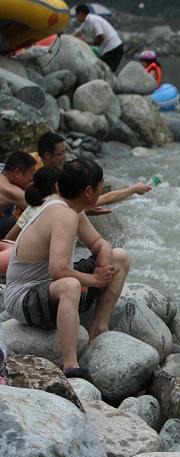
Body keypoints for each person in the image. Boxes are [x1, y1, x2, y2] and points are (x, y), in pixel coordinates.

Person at [3, 158, 130, 379]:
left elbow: (99, 243)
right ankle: (70, 364)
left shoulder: (72, 208)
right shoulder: (63, 214)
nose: (103, 189)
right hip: (24, 297)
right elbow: (58, 271)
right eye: (102, 185)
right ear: (89, 191)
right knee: (70, 284)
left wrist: (104, 259)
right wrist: (95, 280)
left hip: (50, 289)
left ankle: (99, 328)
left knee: (120, 257)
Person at [73, 4, 124, 73]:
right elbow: (77, 32)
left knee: (104, 73)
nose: (76, 17)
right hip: (111, 49)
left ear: (81, 14)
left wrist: (93, 43)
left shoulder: (92, 20)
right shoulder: (86, 22)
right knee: (103, 72)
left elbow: (101, 36)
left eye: (76, 15)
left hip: (113, 49)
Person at [0, 151, 36, 237]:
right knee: (16, 224)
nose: (31, 183)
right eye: (30, 179)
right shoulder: (11, 191)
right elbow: (40, 210)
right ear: (17, 173)